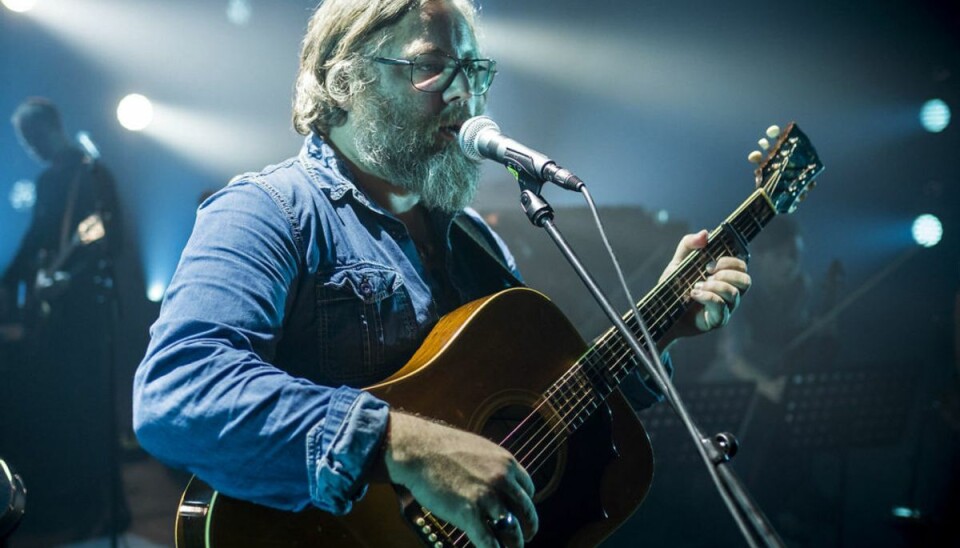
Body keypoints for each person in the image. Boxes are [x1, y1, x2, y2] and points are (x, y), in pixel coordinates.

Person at [132, 1, 751, 547]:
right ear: (343, 80)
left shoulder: (472, 239)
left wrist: (660, 327)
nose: (464, 96)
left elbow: (540, 415)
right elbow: (178, 389)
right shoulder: (270, 211)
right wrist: (410, 448)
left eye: (475, 71)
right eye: (431, 67)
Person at [1, 98, 125, 542]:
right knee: (62, 412)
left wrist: (67, 279)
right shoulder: (49, 179)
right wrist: (11, 277)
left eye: (33, 138)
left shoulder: (89, 173)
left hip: (84, 315)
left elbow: (105, 235)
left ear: (52, 127)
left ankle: (102, 513)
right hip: (54, 318)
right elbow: (39, 235)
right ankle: (69, 508)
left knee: (88, 410)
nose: (31, 148)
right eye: (24, 141)